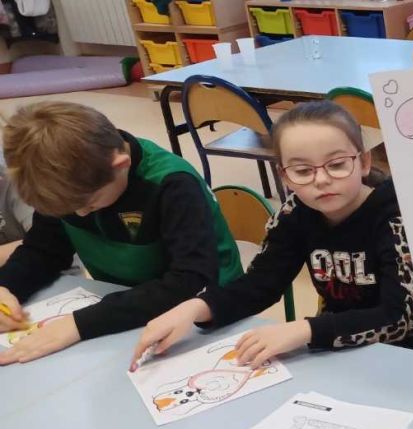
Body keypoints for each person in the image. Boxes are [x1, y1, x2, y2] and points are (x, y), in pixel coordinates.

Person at [132, 100, 413, 370]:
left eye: (337, 164)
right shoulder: (295, 215)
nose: (321, 180)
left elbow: (398, 318)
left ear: (363, 161)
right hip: (341, 347)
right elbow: (260, 284)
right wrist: (195, 307)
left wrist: (305, 329)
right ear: (284, 176)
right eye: (302, 171)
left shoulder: (398, 218)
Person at [0, 101, 242, 365]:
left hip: (204, 314)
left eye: (90, 204)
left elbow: (189, 281)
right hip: (125, 307)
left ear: (121, 165)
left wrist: (79, 324)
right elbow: (43, 250)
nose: (80, 214)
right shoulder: (68, 185)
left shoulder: (172, 184)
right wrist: (7, 286)